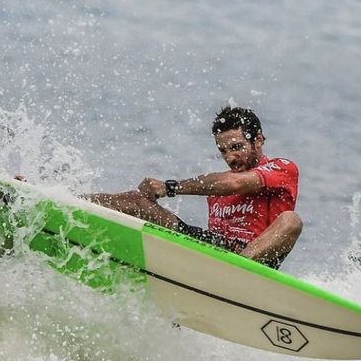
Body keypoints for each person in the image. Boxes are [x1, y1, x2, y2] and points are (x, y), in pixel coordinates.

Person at [84, 106, 302, 268]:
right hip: (217, 251)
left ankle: (237, 269)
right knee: (137, 202)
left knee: (291, 221)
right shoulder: (217, 187)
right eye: (223, 151)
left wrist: (170, 187)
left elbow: (233, 184)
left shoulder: (282, 168)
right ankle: (70, 203)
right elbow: (224, 186)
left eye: (236, 147)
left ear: (259, 140)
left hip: (257, 260)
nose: (230, 157)